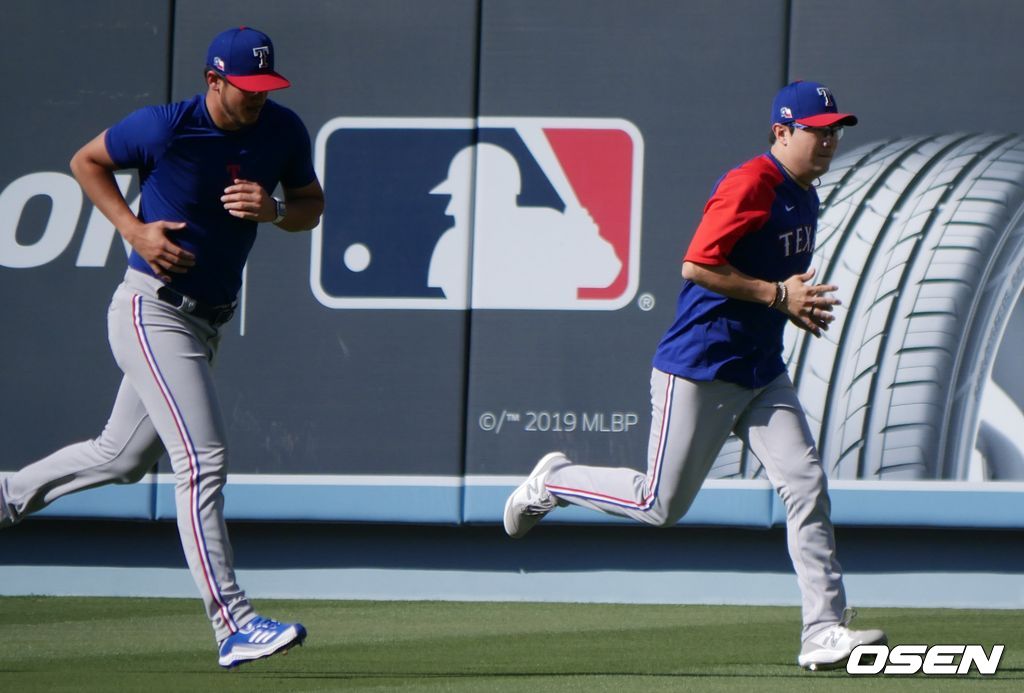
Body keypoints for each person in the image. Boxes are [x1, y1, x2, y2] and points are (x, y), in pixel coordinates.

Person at [503, 81, 886, 671]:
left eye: (836, 128)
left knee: (806, 485)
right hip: (701, 368)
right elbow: (697, 265)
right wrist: (777, 293)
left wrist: (790, 303)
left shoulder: (806, 194)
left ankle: (823, 630)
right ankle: (553, 482)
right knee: (660, 505)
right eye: (818, 128)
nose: (830, 138)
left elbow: (776, 288)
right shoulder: (751, 182)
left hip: (760, 371)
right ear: (782, 132)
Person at [0, 27, 324, 668]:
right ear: (214, 79)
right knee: (202, 461)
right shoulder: (166, 127)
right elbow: (85, 161)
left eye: (265, 86)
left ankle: (6, 497)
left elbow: (311, 205)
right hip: (152, 309)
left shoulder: (282, 130)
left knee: (118, 457)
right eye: (245, 87)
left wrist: (276, 208)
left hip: (207, 323)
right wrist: (133, 229)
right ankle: (232, 623)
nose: (256, 98)